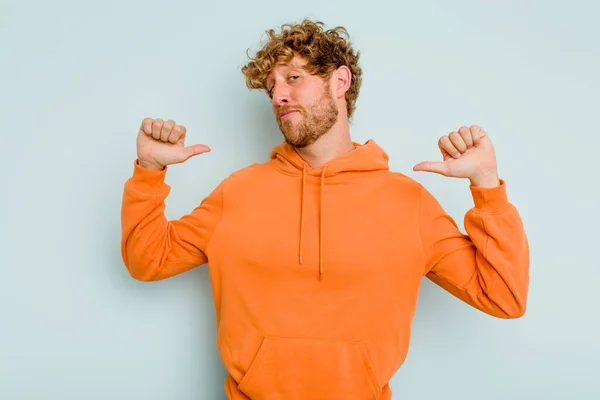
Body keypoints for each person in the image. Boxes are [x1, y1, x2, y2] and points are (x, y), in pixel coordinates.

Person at [120, 19, 529, 400]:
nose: (279, 95)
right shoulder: (238, 192)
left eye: (294, 78)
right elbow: (147, 260)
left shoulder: (408, 203)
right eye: (272, 87)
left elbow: (504, 297)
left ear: (340, 81)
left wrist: (486, 184)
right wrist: (150, 171)